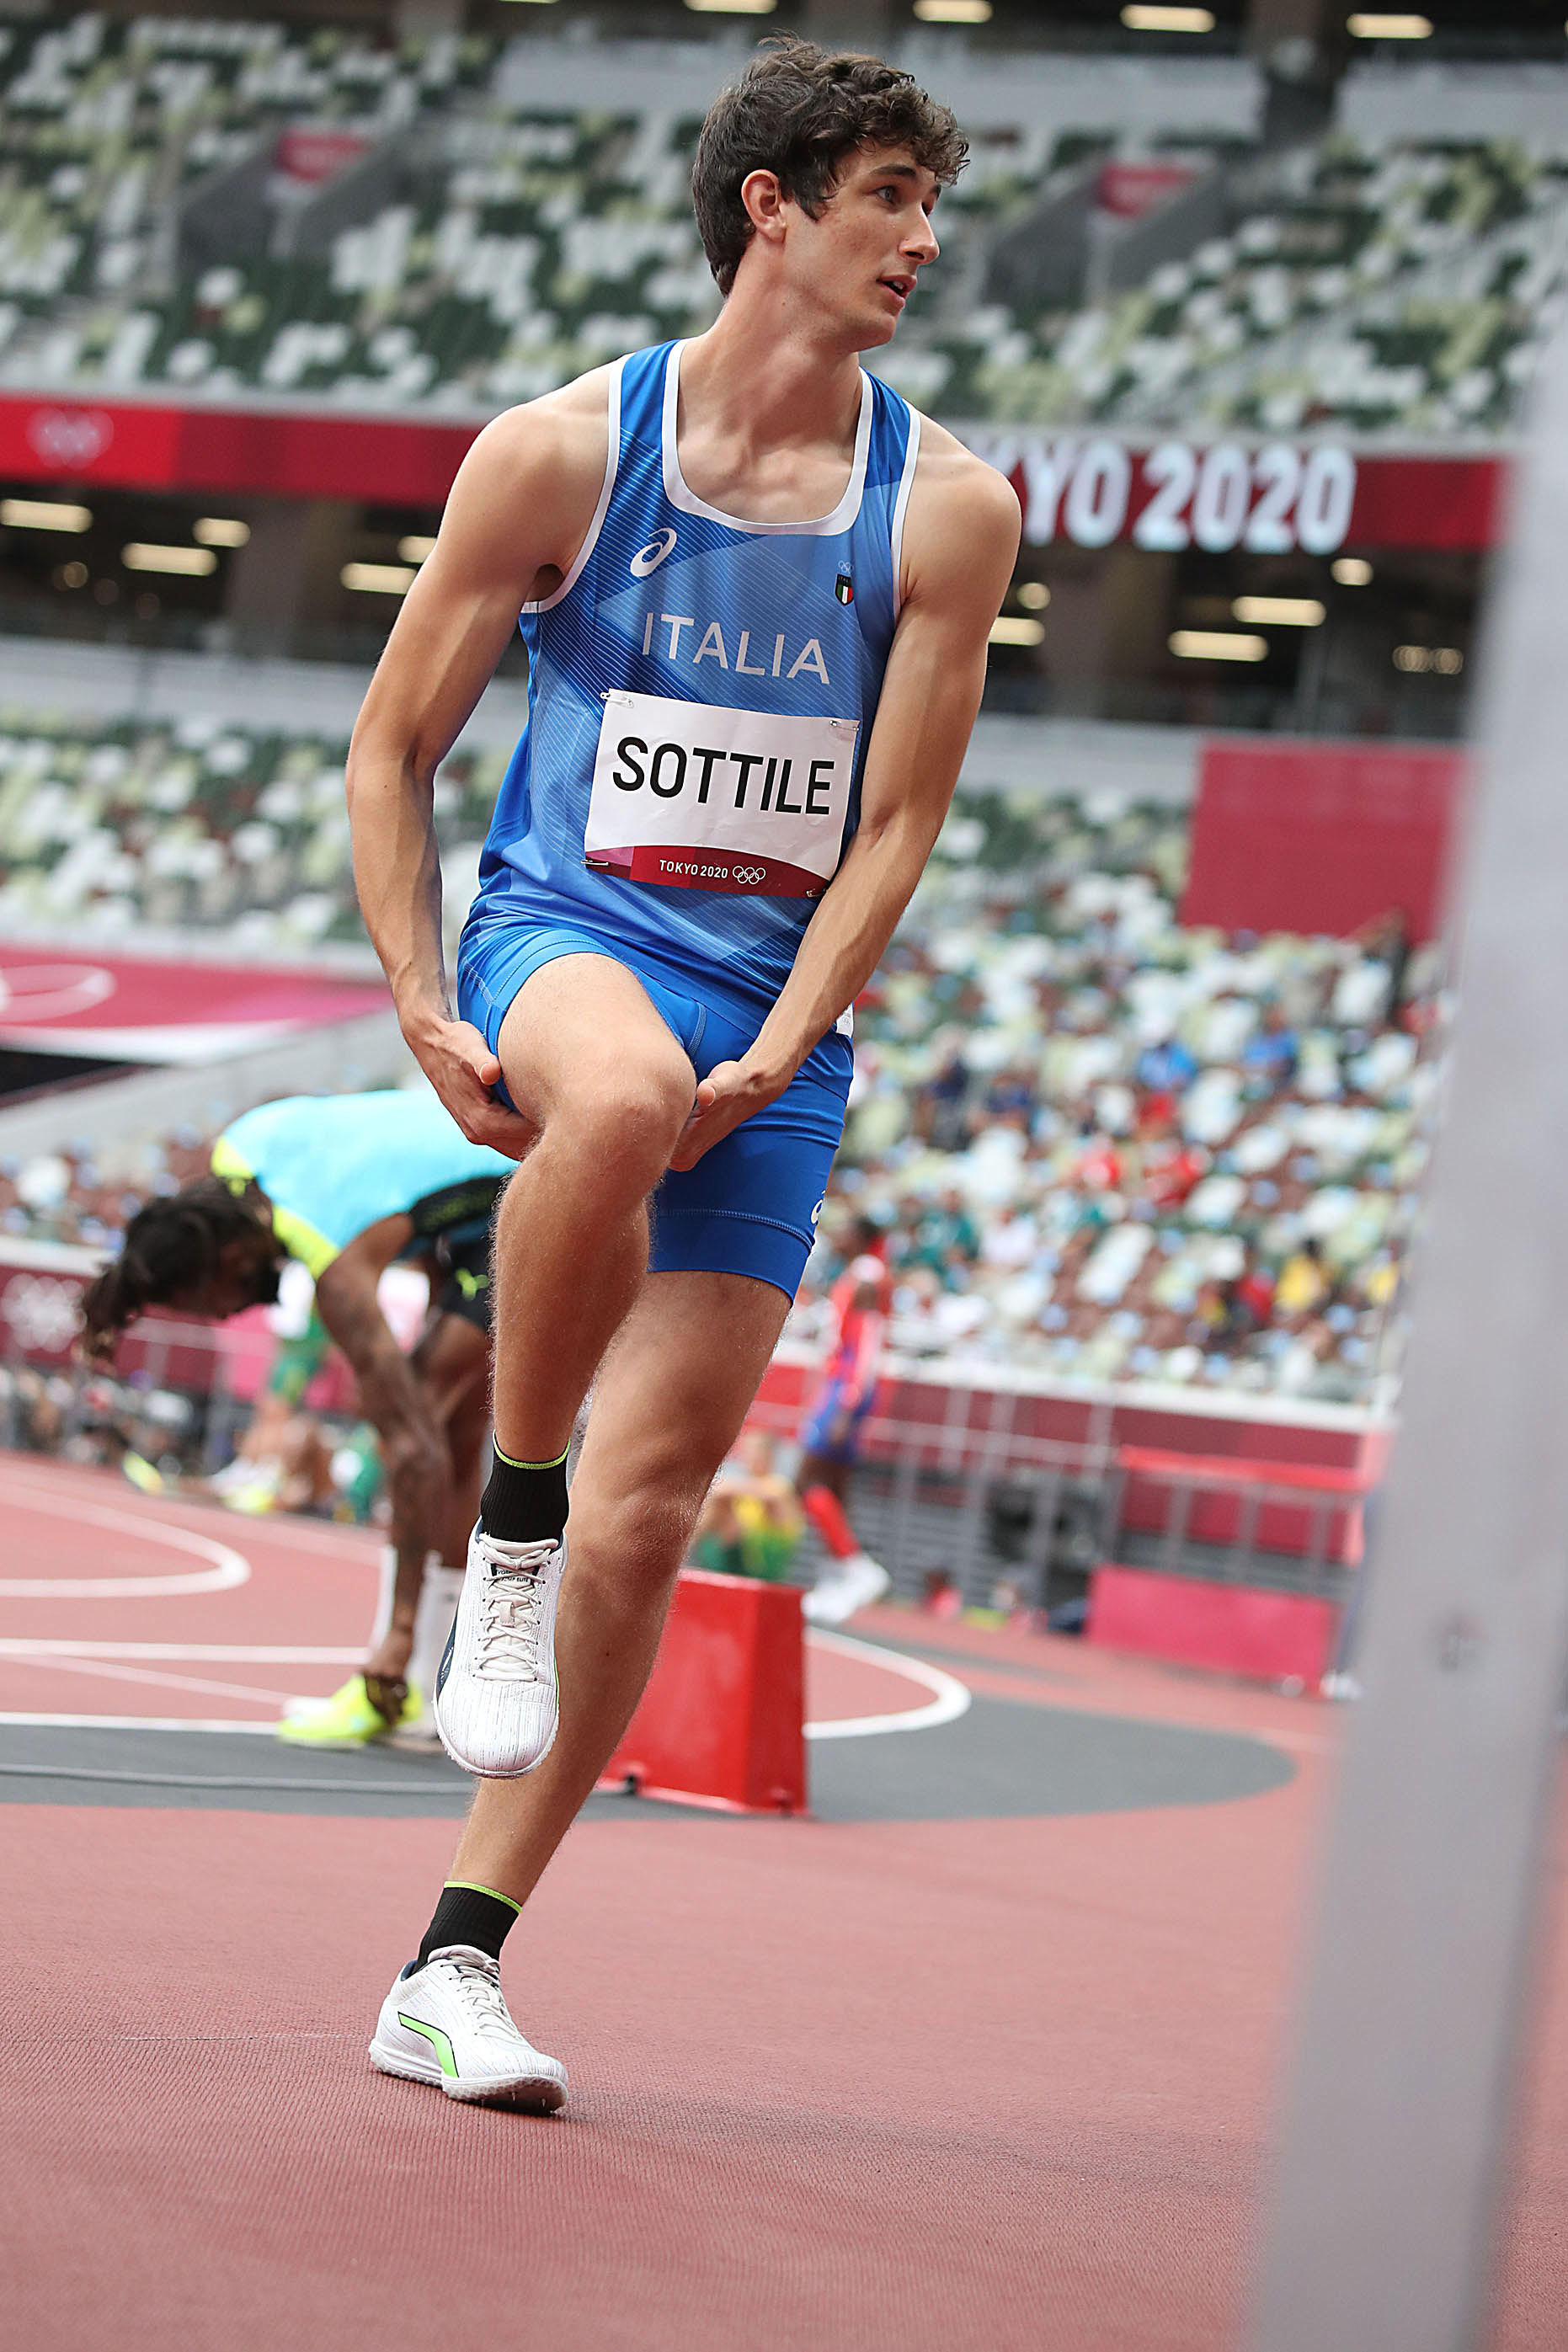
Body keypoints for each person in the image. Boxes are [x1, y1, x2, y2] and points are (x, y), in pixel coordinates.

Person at [344, 35, 1017, 2110]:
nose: (922, 239)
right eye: (890, 195)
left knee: (655, 1519)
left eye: (932, 204)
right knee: (620, 1105)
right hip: (570, 939)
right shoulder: (561, 453)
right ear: (769, 206)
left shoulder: (949, 507)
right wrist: (421, 996)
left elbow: (894, 824)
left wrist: (796, 1039)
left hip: (776, 1021)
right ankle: (505, 1530)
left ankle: (452, 1968)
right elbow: (393, 748)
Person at [77, 1089, 512, 1749]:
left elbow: (409, 1451)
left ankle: (399, 1662)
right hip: (479, 1195)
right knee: (448, 1426)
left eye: (210, 1305)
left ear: (225, 1261)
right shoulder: (238, 1153)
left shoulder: (331, 1254)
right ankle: (430, 1690)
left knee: (420, 1419)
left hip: (530, 1179)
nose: (226, 1316)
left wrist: (395, 1633)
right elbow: (405, 1176)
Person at [796, 1227, 894, 1624]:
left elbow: (868, 1341)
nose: (836, 1235)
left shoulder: (868, 1275)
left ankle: (852, 1565)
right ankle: (839, 1573)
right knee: (834, 1486)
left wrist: (848, 1402)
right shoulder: (857, 1273)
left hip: (845, 1388)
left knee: (806, 1479)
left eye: (845, 1230)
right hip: (842, 1385)